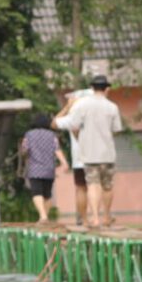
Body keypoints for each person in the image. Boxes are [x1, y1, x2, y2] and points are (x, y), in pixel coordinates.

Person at [53, 77, 126, 228]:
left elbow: (72, 125)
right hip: (107, 154)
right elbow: (116, 129)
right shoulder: (112, 107)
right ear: (106, 89)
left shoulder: (82, 105)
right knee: (107, 186)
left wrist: (80, 137)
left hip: (89, 154)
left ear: (92, 88)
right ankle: (106, 217)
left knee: (92, 185)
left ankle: (95, 218)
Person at [57, 81, 93, 227]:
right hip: (96, 157)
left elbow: (55, 122)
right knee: (96, 187)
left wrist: (67, 107)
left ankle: (83, 219)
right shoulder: (94, 113)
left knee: (80, 188)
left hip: (78, 158)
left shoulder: (73, 116)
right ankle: (96, 217)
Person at [18, 116, 63, 227]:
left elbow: (24, 150)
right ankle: (44, 218)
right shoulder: (52, 135)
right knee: (47, 194)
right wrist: (64, 162)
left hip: (35, 169)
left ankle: (43, 216)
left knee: (37, 192)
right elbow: (57, 149)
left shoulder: (29, 135)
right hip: (49, 169)